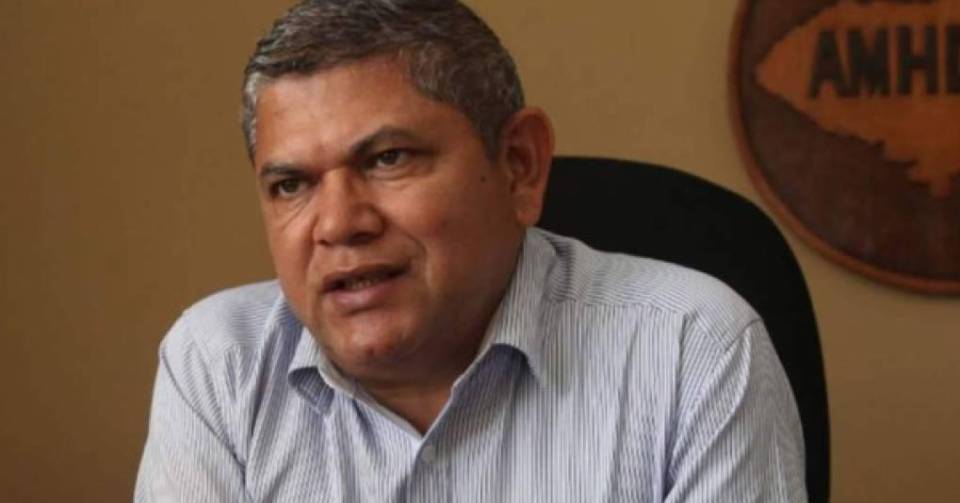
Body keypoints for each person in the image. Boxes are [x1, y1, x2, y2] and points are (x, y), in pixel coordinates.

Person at [135, 0, 807, 501]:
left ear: (519, 165)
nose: (337, 224)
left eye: (388, 158)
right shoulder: (220, 365)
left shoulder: (694, 351)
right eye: (291, 185)